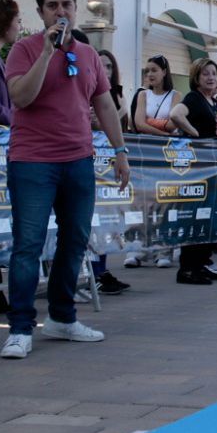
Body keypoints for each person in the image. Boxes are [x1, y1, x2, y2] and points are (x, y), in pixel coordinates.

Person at [0, 0, 130, 359]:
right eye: (53, 5)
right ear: (40, 12)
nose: (61, 11)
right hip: (32, 162)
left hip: (78, 161)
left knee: (74, 243)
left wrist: (120, 152)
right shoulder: (22, 50)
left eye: (67, 5)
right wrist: (46, 53)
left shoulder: (89, 55)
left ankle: (62, 318)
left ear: (76, 10)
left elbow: (105, 105)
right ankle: (21, 328)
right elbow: (21, 97)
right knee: (29, 245)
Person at [168, 58, 217, 285]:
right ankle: (187, 268)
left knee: (208, 216)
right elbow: (176, 114)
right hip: (198, 169)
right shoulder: (194, 98)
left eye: (214, 73)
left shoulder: (212, 102)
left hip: (213, 167)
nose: (211, 77)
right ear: (196, 77)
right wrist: (194, 134)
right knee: (195, 215)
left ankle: (201, 262)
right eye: (205, 74)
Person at [86, 48, 131, 296]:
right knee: (93, 220)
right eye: (101, 65)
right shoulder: (89, 90)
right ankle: (92, 271)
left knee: (109, 220)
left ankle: (102, 269)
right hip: (91, 162)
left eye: (109, 66)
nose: (105, 70)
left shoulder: (117, 95)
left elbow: (119, 123)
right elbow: (96, 120)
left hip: (111, 165)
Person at [133, 55, 181, 136]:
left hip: (167, 146)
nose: (149, 74)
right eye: (147, 71)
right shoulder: (143, 95)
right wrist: (164, 133)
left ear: (164, 72)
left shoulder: (175, 95)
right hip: (149, 143)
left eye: (154, 70)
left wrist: (147, 121)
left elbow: (172, 125)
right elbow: (139, 125)